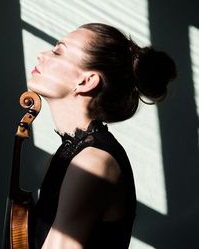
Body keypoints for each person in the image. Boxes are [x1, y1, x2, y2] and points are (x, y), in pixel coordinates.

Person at [27, 22, 177, 249]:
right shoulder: (72, 151)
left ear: (86, 81)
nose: (41, 55)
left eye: (58, 51)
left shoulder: (92, 164)